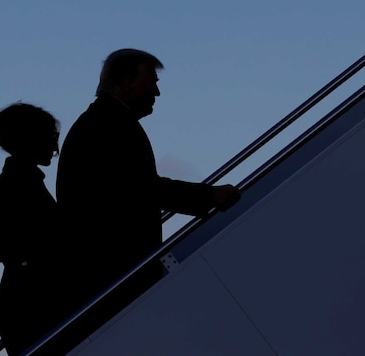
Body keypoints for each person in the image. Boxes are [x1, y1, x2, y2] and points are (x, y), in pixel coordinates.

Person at [56, 48, 241, 310]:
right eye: (152, 82)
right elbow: (142, 189)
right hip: (115, 272)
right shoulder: (110, 125)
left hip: (104, 271)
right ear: (127, 82)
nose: (157, 92)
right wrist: (208, 195)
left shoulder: (100, 121)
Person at [0, 102, 69, 356]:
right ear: (30, 138)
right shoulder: (20, 186)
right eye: (51, 137)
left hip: (24, 296)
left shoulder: (18, 182)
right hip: (29, 300)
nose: (56, 148)